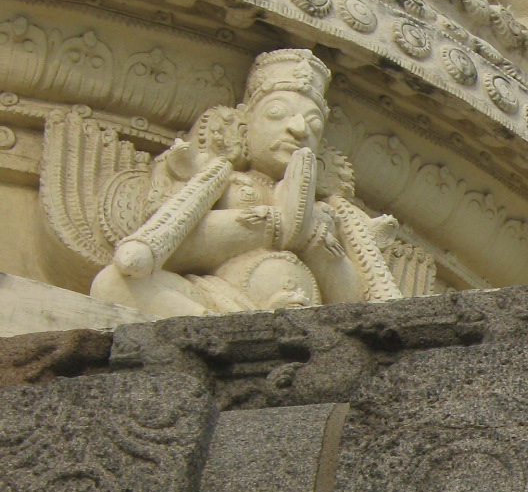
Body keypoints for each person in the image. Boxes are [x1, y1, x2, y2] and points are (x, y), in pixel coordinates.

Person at [91, 48, 401, 318]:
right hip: (217, 303)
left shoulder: (327, 212)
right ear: (244, 125)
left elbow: (357, 301)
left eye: (314, 124)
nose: (298, 129)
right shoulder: (224, 180)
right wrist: (272, 225)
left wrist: (313, 240)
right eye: (277, 113)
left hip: (309, 315)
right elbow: (169, 252)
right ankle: (216, 331)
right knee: (113, 284)